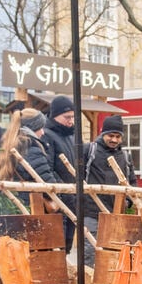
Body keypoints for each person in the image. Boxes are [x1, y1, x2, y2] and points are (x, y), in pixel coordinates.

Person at [82, 114, 136, 266]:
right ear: (102, 133)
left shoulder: (125, 156)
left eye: (118, 136)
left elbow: (132, 182)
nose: (114, 140)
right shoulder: (89, 151)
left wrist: (129, 201)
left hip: (116, 212)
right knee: (90, 251)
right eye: (111, 135)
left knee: (114, 251)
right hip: (91, 212)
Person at [0, 108, 59, 208]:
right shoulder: (31, 149)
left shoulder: (9, 146)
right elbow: (48, 184)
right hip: (29, 206)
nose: (42, 132)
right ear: (32, 129)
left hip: (13, 205)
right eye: (40, 128)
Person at [41, 95, 78, 252]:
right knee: (57, 243)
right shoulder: (48, 135)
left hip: (72, 197)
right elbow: (47, 166)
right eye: (67, 117)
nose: (71, 121)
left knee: (68, 242)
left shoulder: (71, 136)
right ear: (55, 116)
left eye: (72, 117)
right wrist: (61, 190)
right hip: (59, 196)